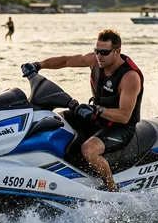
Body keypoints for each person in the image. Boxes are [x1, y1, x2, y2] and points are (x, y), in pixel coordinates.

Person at [21, 28, 143, 192]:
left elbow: (124, 116)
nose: (99, 55)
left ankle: (112, 189)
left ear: (117, 51)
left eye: (104, 52)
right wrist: (38, 65)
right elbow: (65, 61)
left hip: (120, 127)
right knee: (52, 121)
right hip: (97, 117)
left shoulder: (129, 77)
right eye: (97, 50)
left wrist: (97, 110)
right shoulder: (94, 61)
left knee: (89, 149)